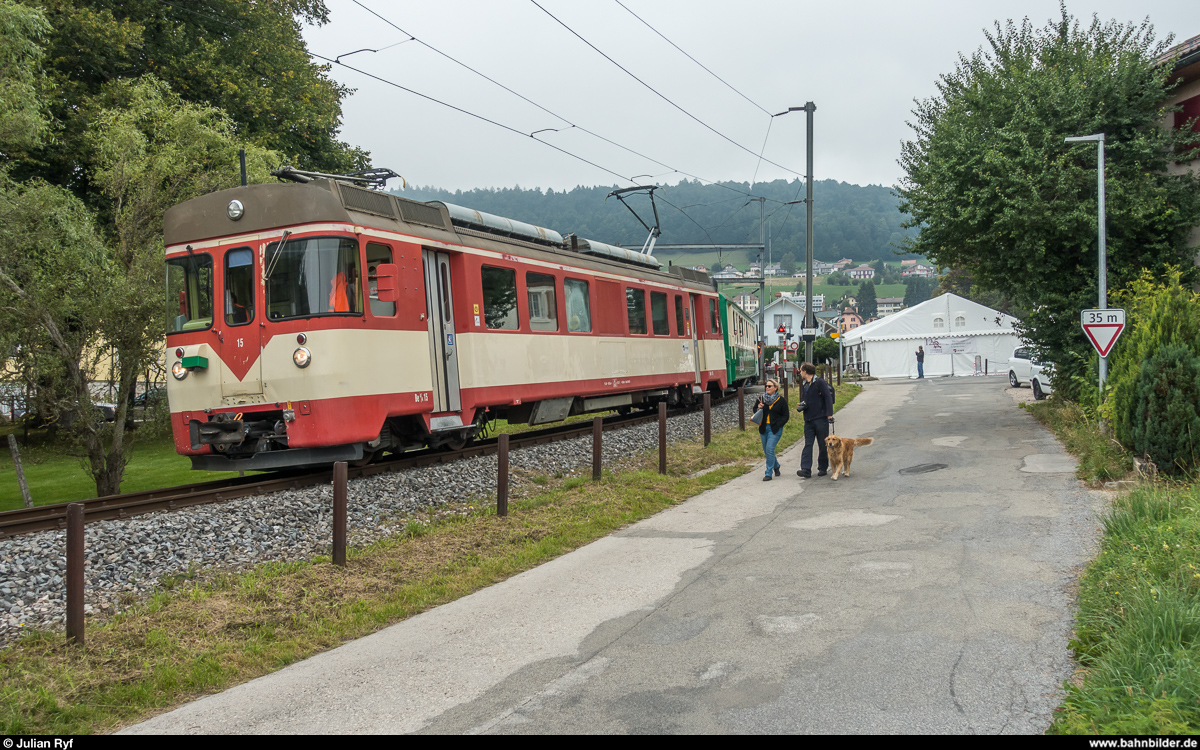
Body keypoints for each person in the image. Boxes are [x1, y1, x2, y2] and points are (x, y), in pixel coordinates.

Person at [796, 362, 834, 478]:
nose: (800, 372)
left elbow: (828, 397)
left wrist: (829, 415)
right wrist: (803, 404)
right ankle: (806, 469)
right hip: (808, 419)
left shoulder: (819, 382)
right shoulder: (805, 384)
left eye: (801, 370)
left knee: (823, 444)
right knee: (808, 444)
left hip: (820, 418)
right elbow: (808, 399)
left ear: (805, 371)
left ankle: (822, 467)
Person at [755, 379, 789, 481]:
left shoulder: (781, 400)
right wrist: (758, 408)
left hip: (775, 429)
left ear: (775, 387)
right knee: (767, 451)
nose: (767, 388)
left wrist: (779, 424)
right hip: (763, 428)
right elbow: (754, 411)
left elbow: (786, 415)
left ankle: (768, 473)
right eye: (766, 386)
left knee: (770, 449)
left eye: (770, 386)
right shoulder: (761, 399)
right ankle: (776, 465)